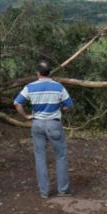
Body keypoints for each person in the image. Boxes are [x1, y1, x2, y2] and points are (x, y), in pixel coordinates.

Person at [13, 60, 74, 199]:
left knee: (40, 157)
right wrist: (61, 109)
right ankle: (63, 190)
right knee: (61, 156)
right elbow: (69, 105)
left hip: (37, 124)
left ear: (38, 73)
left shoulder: (30, 87)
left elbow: (17, 103)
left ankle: (44, 192)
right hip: (54, 124)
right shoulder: (58, 87)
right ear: (50, 72)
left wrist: (26, 116)